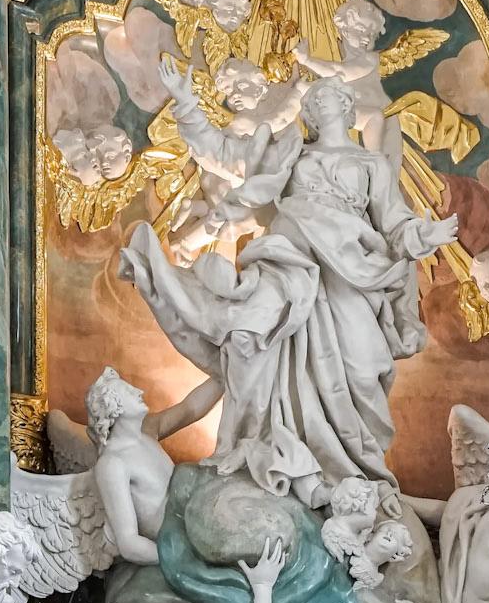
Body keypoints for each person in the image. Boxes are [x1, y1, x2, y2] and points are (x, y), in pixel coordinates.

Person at [121, 73, 458, 509]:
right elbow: (223, 154)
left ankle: (354, 473)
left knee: (360, 368)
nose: (321, 102)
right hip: (287, 264)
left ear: (348, 109)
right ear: (308, 115)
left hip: (349, 275)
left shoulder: (372, 164)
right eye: (314, 99)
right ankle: (268, 450)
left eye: (331, 97)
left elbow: (394, 223)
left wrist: (424, 235)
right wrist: (186, 102)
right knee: (250, 339)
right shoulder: (290, 150)